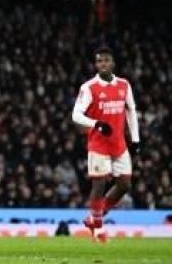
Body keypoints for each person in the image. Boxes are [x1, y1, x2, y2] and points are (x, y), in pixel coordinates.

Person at [72, 46, 140, 242]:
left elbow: (131, 110)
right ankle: (98, 227)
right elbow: (76, 115)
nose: (103, 64)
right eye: (99, 61)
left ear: (113, 63)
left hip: (119, 144)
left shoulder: (124, 85)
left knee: (125, 185)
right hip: (98, 144)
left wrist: (135, 139)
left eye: (106, 60)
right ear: (96, 64)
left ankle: (95, 215)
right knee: (99, 183)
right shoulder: (89, 87)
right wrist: (96, 124)